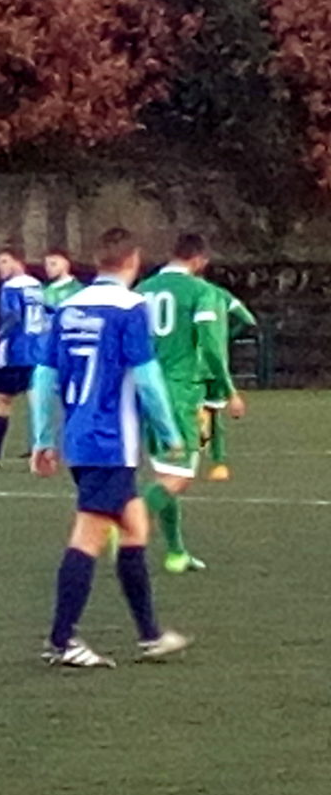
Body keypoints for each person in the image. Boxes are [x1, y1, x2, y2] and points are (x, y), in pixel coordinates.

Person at [29, 228, 190, 669]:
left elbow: (43, 376)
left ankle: (150, 635)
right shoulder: (130, 308)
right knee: (90, 535)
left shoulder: (69, 307)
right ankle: (62, 640)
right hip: (110, 442)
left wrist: (43, 437)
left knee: (135, 525)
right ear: (133, 260)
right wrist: (169, 432)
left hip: (80, 438)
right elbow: (147, 377)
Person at [134, 234, 244, 574]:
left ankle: (176, 553)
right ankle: (126, 520)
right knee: (179, 478)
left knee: (166, 474)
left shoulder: (142, 290)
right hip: (179, 393)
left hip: (144, 390)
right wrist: (229, 390)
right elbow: (211, 346)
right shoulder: (201, 291)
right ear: (200, 260)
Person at [0, 248, 48, 469]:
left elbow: (13, 316)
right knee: (36, 402)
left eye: (4, 261)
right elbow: (49, 313)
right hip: (37, 352)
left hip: (14, 353)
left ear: (18, 262)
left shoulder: (11, 287)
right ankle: (40, 454)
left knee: (1, 401)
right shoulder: (37, 286)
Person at [203, 287, 256, 482]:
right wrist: (225, 336)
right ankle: (219, 463)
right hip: (215, 361)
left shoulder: (182, 293)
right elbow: (248, 320)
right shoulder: (221, 295)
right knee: (214, 411)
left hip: (187, 361)